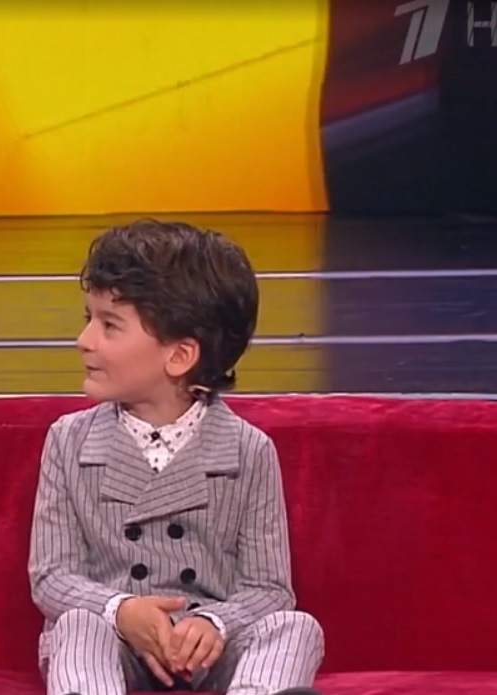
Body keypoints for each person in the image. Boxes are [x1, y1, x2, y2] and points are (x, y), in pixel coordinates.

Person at [27, 220, 325, 695]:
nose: (85, 339)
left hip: (209, 657)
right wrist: (121, 611)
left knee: (296, 627)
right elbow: (51, 577)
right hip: (116, 646)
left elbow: (270, 589)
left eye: (109, 325)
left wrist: (214, 623)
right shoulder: (68, 441)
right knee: (78, 625)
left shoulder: (248, 450)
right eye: (89, 318)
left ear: (180, 355)